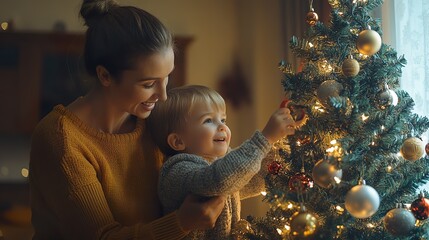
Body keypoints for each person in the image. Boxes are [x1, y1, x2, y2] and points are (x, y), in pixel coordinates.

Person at [29, 1, 226, 239]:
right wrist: (182, 222)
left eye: (167, 78)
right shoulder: (61, 139)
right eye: (148, 84)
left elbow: (199, 170)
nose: (163, 95)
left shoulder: (154, 121)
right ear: (105, 75)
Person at [146, 85, 298, 239]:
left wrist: (280, 144)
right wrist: (265, 139)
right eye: (208, 120)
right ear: (178, 141)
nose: (222, 126)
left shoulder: (220, 163)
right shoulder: (177, 171)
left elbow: (255, 180)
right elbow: (220, 180)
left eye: (223, 119)